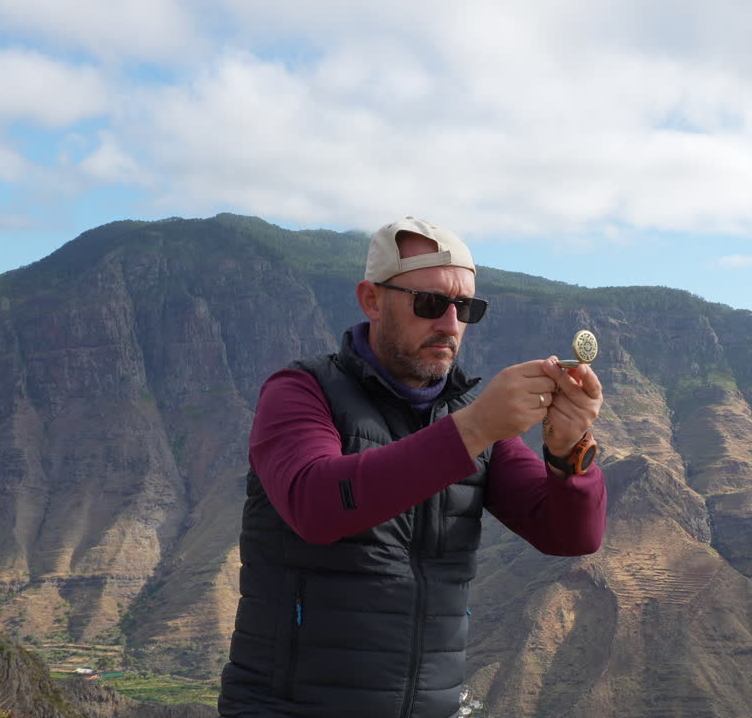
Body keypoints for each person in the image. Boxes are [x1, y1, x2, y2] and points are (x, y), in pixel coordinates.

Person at [218, 216, 607, 717]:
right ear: (372, 300)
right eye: (429, 303)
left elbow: (569, 536)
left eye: (465, 307)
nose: (449, 323)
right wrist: (473, 428)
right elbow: (314, 504)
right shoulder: (300, 392)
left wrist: (568, 452)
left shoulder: (471, 420)